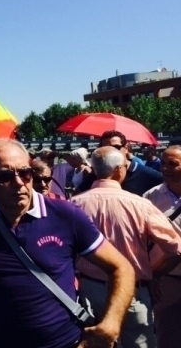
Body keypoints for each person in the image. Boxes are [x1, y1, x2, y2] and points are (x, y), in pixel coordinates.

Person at [0, 139, 135, 348]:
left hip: (66, 343)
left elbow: (121, 267)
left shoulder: (65, 215)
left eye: (25, 172)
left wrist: (111, 323)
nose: (19, 182)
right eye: (5, 176)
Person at [71, 146, 181, 347]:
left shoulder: (73, 205)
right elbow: (175, 247)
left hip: (90, 289)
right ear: (118, 170)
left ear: (94, 170)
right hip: (132, 291)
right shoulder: (140, 204)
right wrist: (155, 273)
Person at [141, 146, 181, 348]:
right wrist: (151, 274)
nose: (165, 168)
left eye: (173, 164)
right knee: (167, 331)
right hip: (166, 277)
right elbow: (142, 238)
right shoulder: (150, 197)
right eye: (163, 163)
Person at [77, 131, 163, 195]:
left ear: (126, 148)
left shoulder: (145, 173)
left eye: (116, 147)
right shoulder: (98, 174)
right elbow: (77, 195)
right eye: (106, 147)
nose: (111, 151)